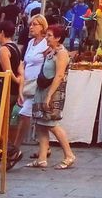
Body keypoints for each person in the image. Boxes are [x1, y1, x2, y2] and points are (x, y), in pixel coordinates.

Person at [27, 24, 75, 170]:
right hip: (42, 90)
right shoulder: (51, 51)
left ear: (58, 38)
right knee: (41, 125)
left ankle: (69, 155)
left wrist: (49, 95)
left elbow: (59, 75)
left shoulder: (61, 53)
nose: (46, 38)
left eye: (49, 36)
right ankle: (42, 158)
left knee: (52, 124)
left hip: (53, 92)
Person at [10, 14, 49, 153]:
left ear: (42, 27)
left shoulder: (46, 43)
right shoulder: (31, 42)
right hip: (27, 83)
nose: (31, 27)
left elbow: (49, 63)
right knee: (39, 120)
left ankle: (16, 147)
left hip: (37, 84)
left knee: (25, 115)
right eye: (30, 24)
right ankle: (45, 148)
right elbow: (25, 62)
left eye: (34, 24)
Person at [0, 20, 24, 163]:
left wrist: (17, 80)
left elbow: (8, 71)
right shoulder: (15, 47)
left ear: (2, 33)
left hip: (5, 90)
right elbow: (20, 68)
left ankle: (11, 150)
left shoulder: (4, 50)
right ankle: (0, 154)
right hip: (13, 91)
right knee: (4, 121)